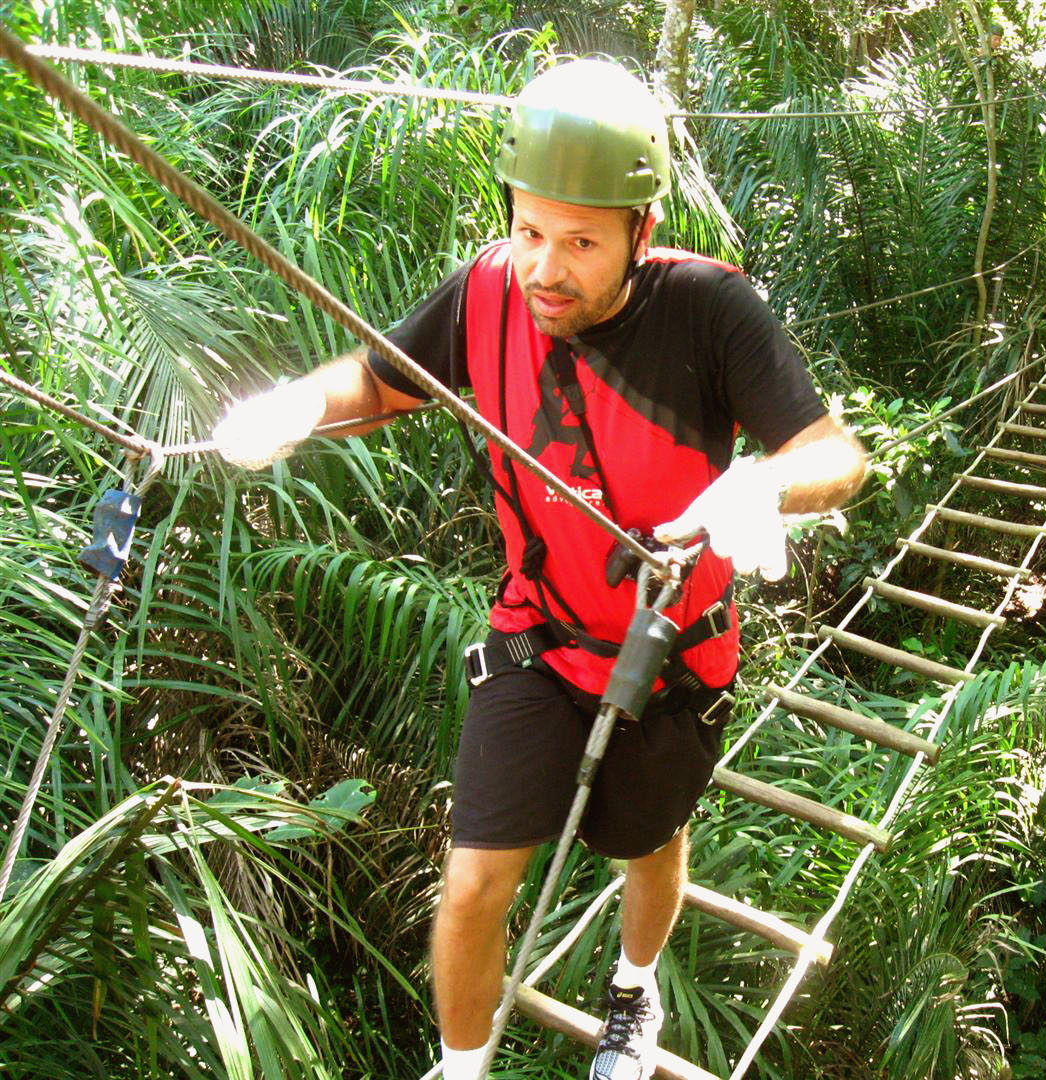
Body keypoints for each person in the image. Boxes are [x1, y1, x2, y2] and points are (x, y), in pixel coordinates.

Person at [210, 59, 867, 1080]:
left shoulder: (710, 312)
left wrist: (764, 486)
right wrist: (298, 405)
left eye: (580, 243)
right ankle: (461, 1068)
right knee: (474, 883)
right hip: (539, 637)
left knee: (643, 848)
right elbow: (382, 380)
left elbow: (836, 455)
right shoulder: (486, 292)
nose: (544, 269)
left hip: (670, 655)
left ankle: (632, 992)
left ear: (641, 235)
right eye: (528, 231)